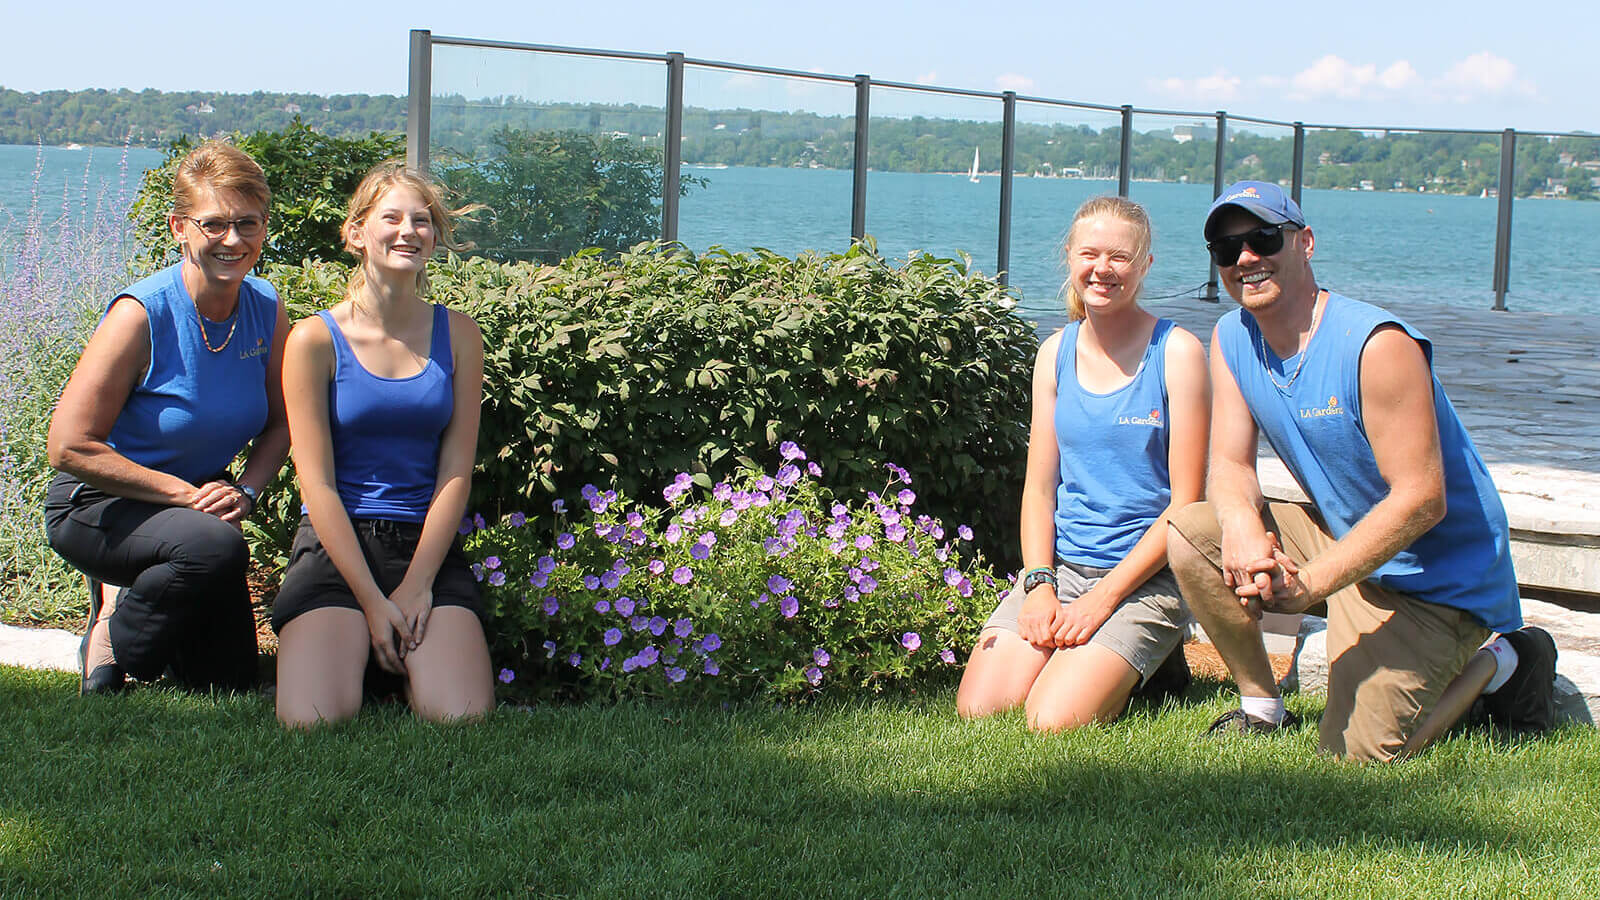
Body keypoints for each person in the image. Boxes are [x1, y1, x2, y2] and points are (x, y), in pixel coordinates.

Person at [1168, 180, 1558, 762]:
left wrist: (1309, 587)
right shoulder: (1231, 338)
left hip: (1440, 578)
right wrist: (1243, 528)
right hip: (1349, 541)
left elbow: (1424, 500)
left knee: (1361, 758)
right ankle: (1260, 706)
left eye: (1263, 239)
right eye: (1227, 250)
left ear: (1305, 243)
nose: (1245, 259)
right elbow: (1228, 463)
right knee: (1192, 534)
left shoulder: (1377, 345)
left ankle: (1506, 661)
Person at [44, 141, 290, 695]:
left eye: (247, 223)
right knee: (215, 547)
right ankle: (113, 629)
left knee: (225, 682)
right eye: (214, 224)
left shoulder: (265, 307)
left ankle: (148, 607)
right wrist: (186, 496)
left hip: (196, 514)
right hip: (99, 505)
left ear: (264, 226)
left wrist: (245, 492)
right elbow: (68, 447)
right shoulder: (140, 314)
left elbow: (281, 424)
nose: (233, 240)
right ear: (179, 226)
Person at [956, 196, 1209, 730]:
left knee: (1050, 719)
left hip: (1146, 578)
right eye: (1090, 253)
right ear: (1069, 255)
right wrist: (1039, 585)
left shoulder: (1178, 352)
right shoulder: (1054, 353)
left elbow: (1187, 507)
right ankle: (1108, 656)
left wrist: (1102, 603)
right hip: (1066, 571)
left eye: (1120, 257)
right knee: (980, 707)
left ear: (1145, 266)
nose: (1103, 269)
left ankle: (1151, 661)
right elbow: (1040, 488)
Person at [273, 163, 492, 727]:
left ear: (434, 238)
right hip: (336, 546)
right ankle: (356, 649)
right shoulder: (314, 339)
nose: (408, 231)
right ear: (356, 233)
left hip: (424, 547)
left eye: (421, 221)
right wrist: (372, 600)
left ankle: (390, 659)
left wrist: (417, 587)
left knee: (461, 716)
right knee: (313, 719)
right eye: (390, 217)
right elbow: (315, 482)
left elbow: (455, 474)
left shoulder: (460, 335)